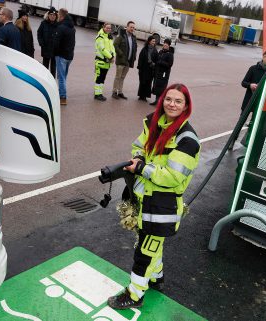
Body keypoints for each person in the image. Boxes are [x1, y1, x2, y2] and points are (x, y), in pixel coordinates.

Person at [107, 83, 201, 310]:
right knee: (149, 244)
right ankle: (157, 278)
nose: (172, 104)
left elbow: (172, 177)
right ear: (163, 100)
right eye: (169, 99)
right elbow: (138, 145)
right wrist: (138, 157)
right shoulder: (153, 122)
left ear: (186, 106)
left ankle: (135, 294)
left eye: (178, 101)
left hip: (163, 205)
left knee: (144, 253)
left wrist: (141, 169)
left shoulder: (188, 140)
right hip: (145, 198)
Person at [228, 50, 266, 150]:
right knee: (241, 122)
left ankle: (248, 143)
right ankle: (232, 141)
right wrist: (250, 85)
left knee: (255, 124)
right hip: (248, 101)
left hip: (260, 103)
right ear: (264, 57)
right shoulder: (253, 69)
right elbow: (243, 82)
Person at [53, 8, 76, 106]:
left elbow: (56, 43)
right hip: (69, 56)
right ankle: (61, 93)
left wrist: (54, 52)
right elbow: (73, 43)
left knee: (61, 77)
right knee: (63, 77)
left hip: (61, 55)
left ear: (61, 16)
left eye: (58, 15)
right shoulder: (72, 28)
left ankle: (62, 97)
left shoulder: (61, 27)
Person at [112, 21, 137, 100]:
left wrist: (134, 57)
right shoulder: (121, 35)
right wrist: (120, 54)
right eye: (131, 27)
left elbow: (134, 48)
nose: (132, 29)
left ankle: (120, 92)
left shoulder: (133, 37)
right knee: (118, 77)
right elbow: (115, 45)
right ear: (127, 27)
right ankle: (114, 92)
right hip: (121, 61)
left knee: (122, 77)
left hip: (128, 61)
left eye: (133, 27)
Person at [94, 23, 115, 101]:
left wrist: (113, 55)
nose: (109, 29)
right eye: (107, 28)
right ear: (103, 27)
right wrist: (110, 57)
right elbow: (102, 49)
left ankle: (100, 93)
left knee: (103, 79)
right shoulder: (100, 37)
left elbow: (112, 48)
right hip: (100, 61)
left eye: (110, 28)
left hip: (107, 62)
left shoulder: (109, 37)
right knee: (99, 78)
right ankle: (97, 94)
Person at [150, 39, 174, 106]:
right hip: (157, 73)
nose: (165, 44)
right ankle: (156, 101)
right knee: (157, 87)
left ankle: (160, 103)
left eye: (167, 44)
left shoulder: (170, 54)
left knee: (161, 88)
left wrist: (160, 62)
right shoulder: (161, 51)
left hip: (164, 74)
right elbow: (156, 59)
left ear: (169, 45)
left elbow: (170, 64)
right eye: (164, 43)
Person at [37, 7, 58, 77]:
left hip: (55, 51)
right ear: (48, 15)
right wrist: (41, 43)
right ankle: (45, 81)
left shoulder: (58, 25)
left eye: (54, 15)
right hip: (46, 49)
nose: (52, 16)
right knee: (45, 67)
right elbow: (39, 33)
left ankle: (52, 83)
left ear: (56, 16)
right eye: (51, 14)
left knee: (53, 69)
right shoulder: (43, 23)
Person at [137, 36, 158, 102]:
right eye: (152, 41)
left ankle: (145, 96)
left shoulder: (155, 50)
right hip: (143, 69)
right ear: (149, 41)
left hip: (151, 69)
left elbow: (157, 60)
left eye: (154, 41)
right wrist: (139, 68)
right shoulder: (144, 49)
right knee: (142, 82)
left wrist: (154, 65)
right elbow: (140, 59)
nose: (153, 42)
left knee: (148, 83)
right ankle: (141, 95)